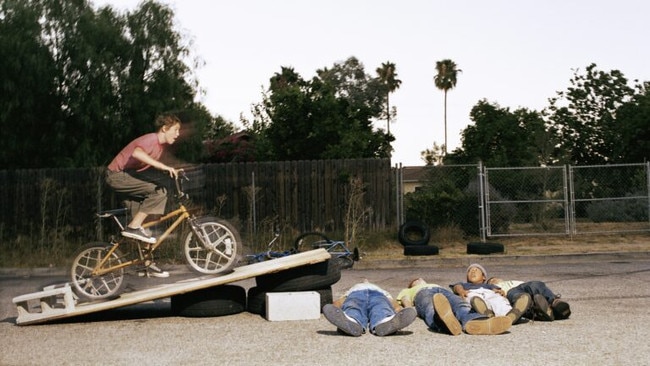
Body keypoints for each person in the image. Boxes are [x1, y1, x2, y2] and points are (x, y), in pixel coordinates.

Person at [105, 114, 181, 278]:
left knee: (145, 225)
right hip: (117, 175)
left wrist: (171, 171)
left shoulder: (159, 147)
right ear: (164, 128)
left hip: (128, 177)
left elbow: (147, 166)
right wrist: (163, 166)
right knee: (159, 192)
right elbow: (138, 153)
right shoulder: (151, 139)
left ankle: (145, 265)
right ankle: (133, 227)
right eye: (175, 130)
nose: (178, 134)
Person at [397, 278, 512, 335]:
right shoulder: (410, 290)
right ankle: (441, 321)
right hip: (422, 294)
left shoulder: (435, 284)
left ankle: (474, 321)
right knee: (430, 307)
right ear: (412, 284)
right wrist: (409, 308)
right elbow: (405, 299)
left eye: (420, 279)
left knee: (460, 304)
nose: (419, 279)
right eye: (416, 280)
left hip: (442, 291)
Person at [322, 279, 417, 337]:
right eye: (363, 281)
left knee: (381, 307)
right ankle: (351, 321)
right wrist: (336, 310)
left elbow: (390, 301)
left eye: (367, 280)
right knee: (353, 306)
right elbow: (342, 300)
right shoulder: (353, 288)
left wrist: (398, 311)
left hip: (378, 295)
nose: (365, 280)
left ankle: (385, 321)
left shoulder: (381, 290)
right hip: (357, 294)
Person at [450, 263, 530, 324]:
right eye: (470, 271)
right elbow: (457, 286)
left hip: (489, 292)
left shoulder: (489, 285)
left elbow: (497, 290)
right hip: (472, 292)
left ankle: (510, 315)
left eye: (476, 270)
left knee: (498, 300)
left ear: (484, 277)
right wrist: (461, 291)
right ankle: (486, 313)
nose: (472, 272)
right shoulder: (464, 285)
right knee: (472, 298)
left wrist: (500, 292)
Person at [487, 277, 571, 321]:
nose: (493, 280)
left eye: (494, 279)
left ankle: (554, 303)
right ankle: (539, 309)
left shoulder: (512, 281)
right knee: (519, 296)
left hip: (526, 287)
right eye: (490, 281)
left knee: (536, 284)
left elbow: (527, 285)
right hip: (511, 293)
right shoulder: (494, 288)